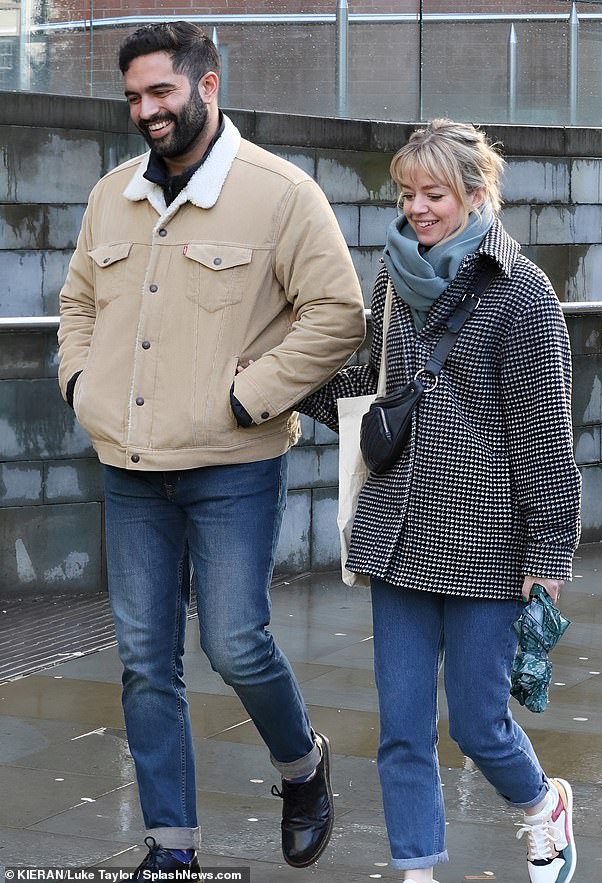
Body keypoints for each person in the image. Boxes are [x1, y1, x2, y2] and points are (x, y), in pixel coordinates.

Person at [57, 21, 365, 877]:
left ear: (207, 85)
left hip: (234, 465)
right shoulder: (109, 194)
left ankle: (302, 764)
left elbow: (337, 315)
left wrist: (249, 395)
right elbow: (76, 303)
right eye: (133, 97)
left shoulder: (281, 194)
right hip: (128, 467)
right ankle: (172, 846)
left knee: (234, 642)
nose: (145, 111)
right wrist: (82, 385)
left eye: (160, 92)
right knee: (144, 662)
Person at [301, 120, 581, 883]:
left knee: (481, 724)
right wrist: (290, 372)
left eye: (435, 194)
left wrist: (548, 551)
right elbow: (374, 397)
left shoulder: (523, 294)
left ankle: (541, 807)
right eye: (406, 193)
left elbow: (544, 435)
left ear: (476, 194)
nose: (416, 208)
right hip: (399, 532)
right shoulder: (395, 276)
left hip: (489, 543)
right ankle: (417, 869)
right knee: (401, 730)